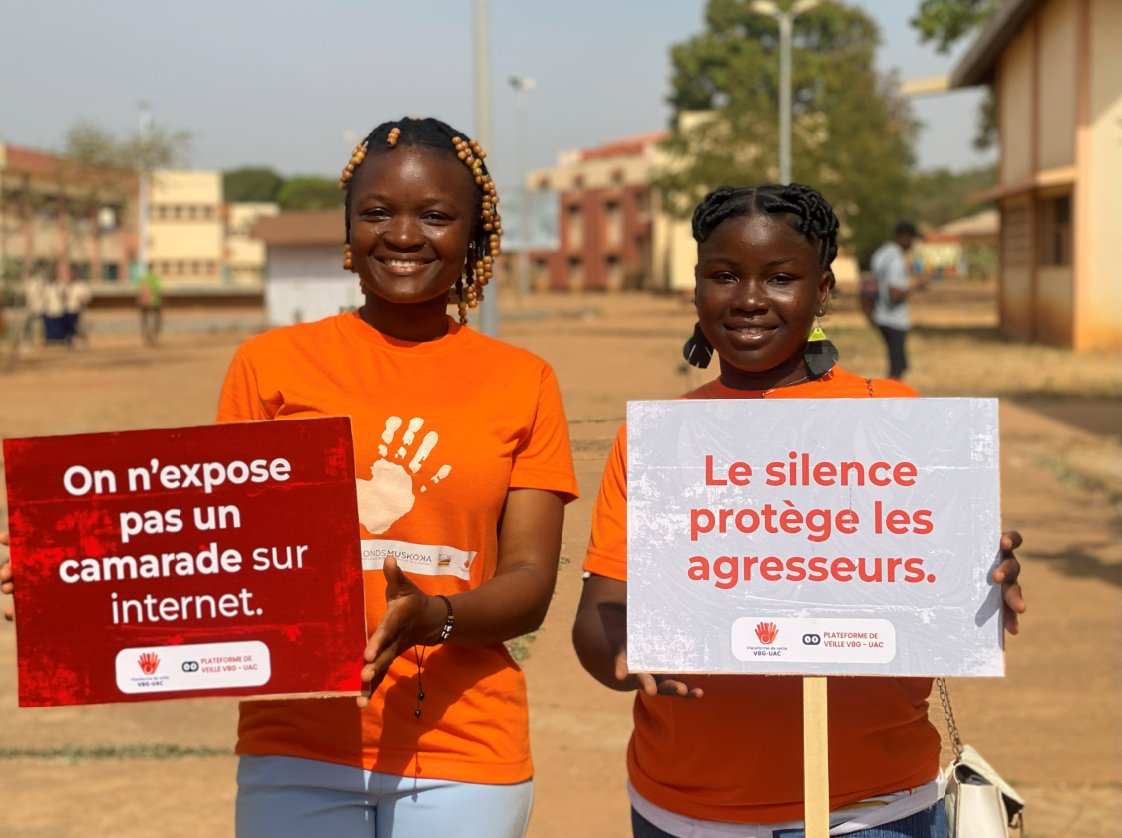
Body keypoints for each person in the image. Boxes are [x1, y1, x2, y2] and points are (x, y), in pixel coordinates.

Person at [2, 117, 579, 838]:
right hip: (296, 746)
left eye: (435, 215)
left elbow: (530, 581)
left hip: (464, 748)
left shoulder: (522, 381)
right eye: (377, 212)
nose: (404, 235)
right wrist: (76, 573)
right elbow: (210, 541)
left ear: (476, 233)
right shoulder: (270, 366)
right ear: (348, 227)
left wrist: (434, 616)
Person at [571, 184, 1026, 838]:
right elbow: (599, 618)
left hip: (874, 811)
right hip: (686, 812)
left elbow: (937, 587)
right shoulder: (660, 441)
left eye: (781, 278)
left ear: (824, 291)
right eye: (724, 276)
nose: (750, 299)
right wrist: (624, 651)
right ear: (696, 288)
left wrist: (981, 582)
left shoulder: (893, 417)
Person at [869, 221, 925, 380]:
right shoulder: (896, 259)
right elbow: (894, 294)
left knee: (899, 363)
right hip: (894, 319)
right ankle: (891, 394)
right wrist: (916, 288)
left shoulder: (880, 254)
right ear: (904, 237)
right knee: (898, 367)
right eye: (912, 239)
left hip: (880, 314)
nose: (912, 244)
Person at [136, 267, 163, 345]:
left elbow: (139, 290)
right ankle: (154, 332)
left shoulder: (142, 278)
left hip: (144, 303)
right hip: (154, 302)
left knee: (144, 318)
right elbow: (158, 291)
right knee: (157, 317)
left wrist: (140, 300)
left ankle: (146, 333)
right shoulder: (155, 278)